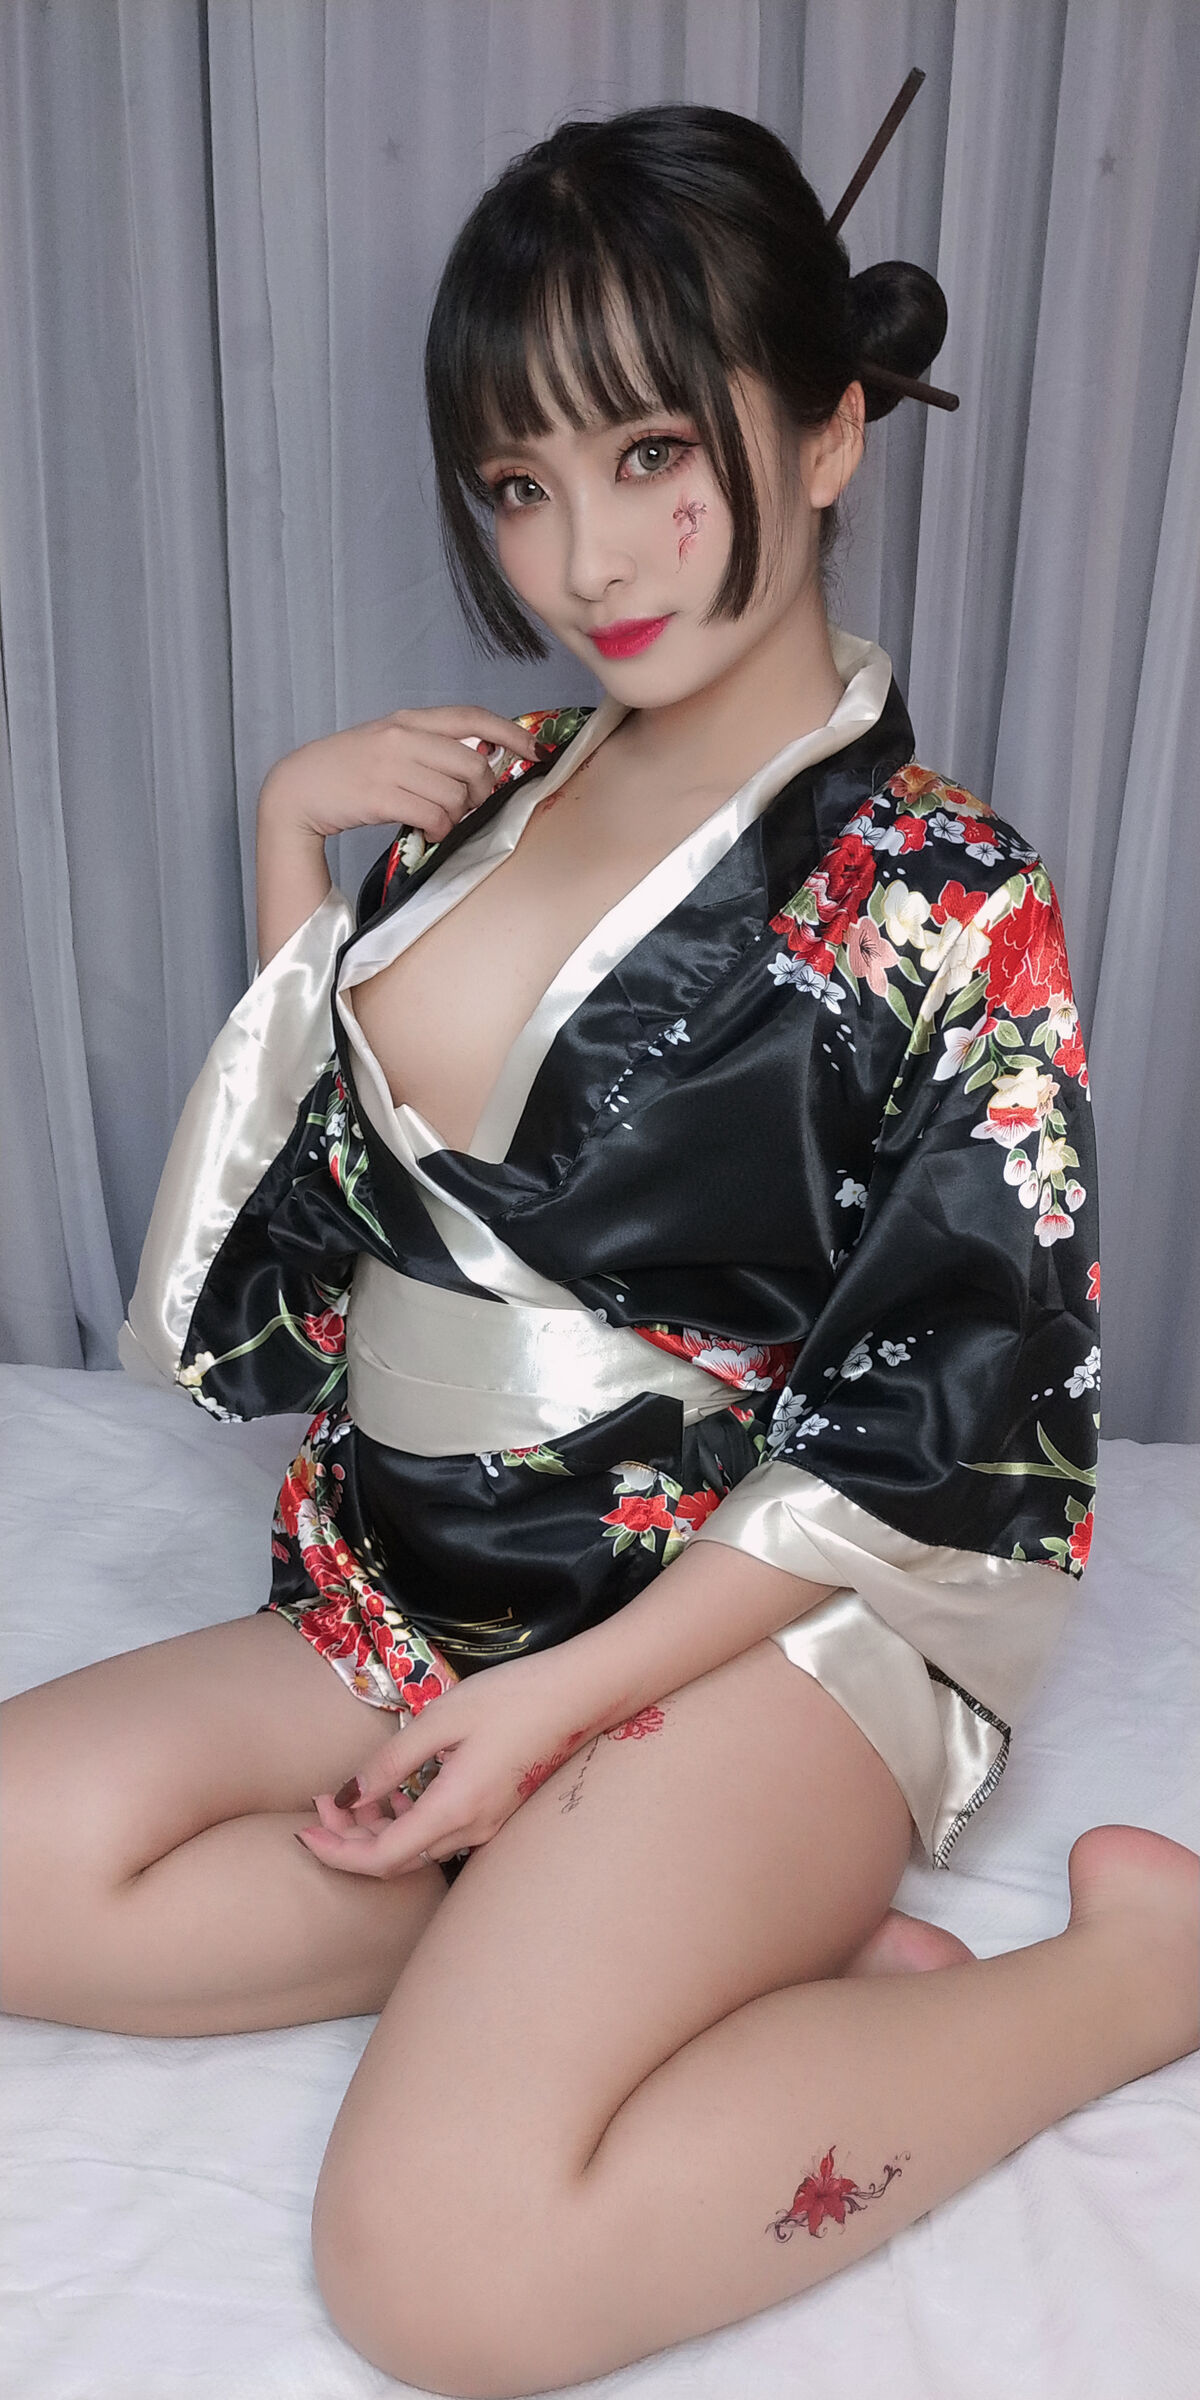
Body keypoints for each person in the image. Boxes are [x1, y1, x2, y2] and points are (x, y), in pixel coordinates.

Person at [2, 98, 1195, 2400]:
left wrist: (551, 1715)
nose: (590, 557)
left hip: (759, 1621)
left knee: (440, 2271)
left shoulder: (945, 898)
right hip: (424, 1576)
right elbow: (322, 1261)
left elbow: (946, 1429)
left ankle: (1124, 1977)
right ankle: (612, 1932)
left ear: (827, 431)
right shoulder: (492, 796)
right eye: (521, 483)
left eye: (656, 454)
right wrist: (292, 843)